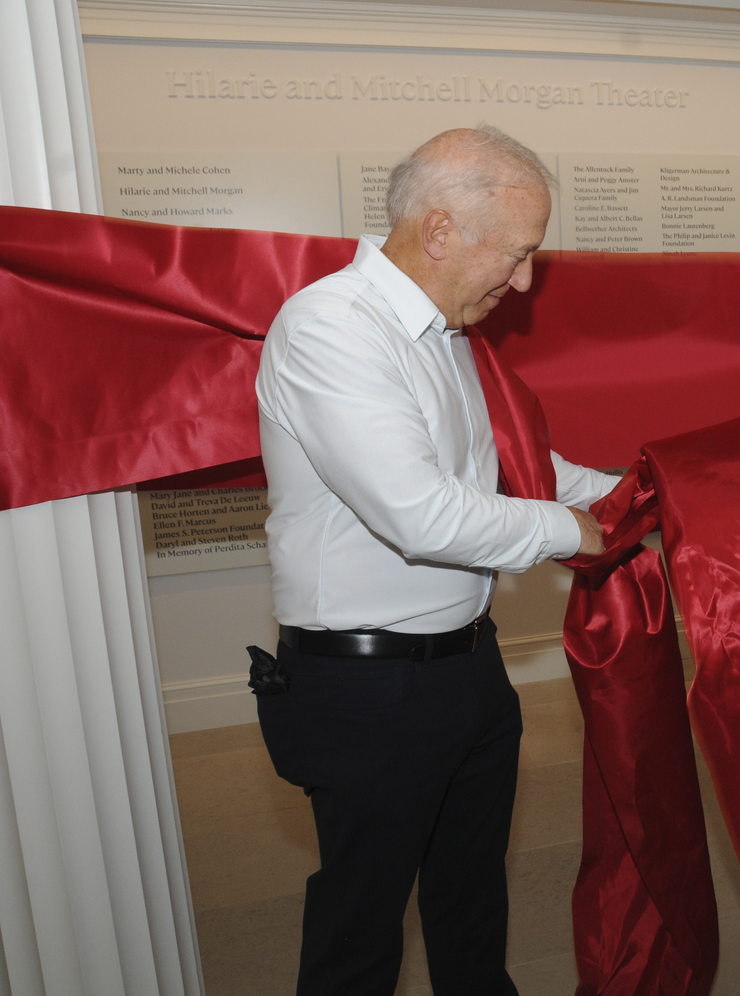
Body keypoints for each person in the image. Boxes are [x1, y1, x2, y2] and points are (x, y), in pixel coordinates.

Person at [254, 126, 616, 995]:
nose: (524, 280)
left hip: (468, 673)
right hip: (365, 694)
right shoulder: (329, 326)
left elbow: (509, 467)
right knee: (360, 930)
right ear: (442, 230)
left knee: (470, 903)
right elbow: (418, 513)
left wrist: (638, 493)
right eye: (519, 254)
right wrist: (578, 533)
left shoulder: (447, 333)